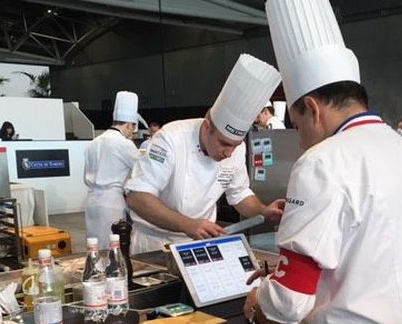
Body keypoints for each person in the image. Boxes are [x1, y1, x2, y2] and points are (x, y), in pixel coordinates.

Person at [243, 0, 402, 324]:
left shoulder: (320, 162)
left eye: (297, 121)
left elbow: (290, 301)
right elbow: (376, 256)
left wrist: (259, 300)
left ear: (311, 108)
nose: (300, 135)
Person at [125, 54, 283, 254]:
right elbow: (137, 197)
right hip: (155, 245)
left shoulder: (236, 149)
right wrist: (187, 225)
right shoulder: (170, 139)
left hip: (202, 243)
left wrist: (263, 211)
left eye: (236, 145)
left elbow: (239, 193)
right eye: (224, 143)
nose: (229, 153)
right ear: (207, 127)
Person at [84, 91, 140, 249]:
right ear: (129, 124)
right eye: (132, 129)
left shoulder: (94, 142)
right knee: (111, 247)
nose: (132, 134)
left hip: (91, 201)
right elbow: (141, 168)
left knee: (94, 245)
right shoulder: (123, 143)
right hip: (111, 202)